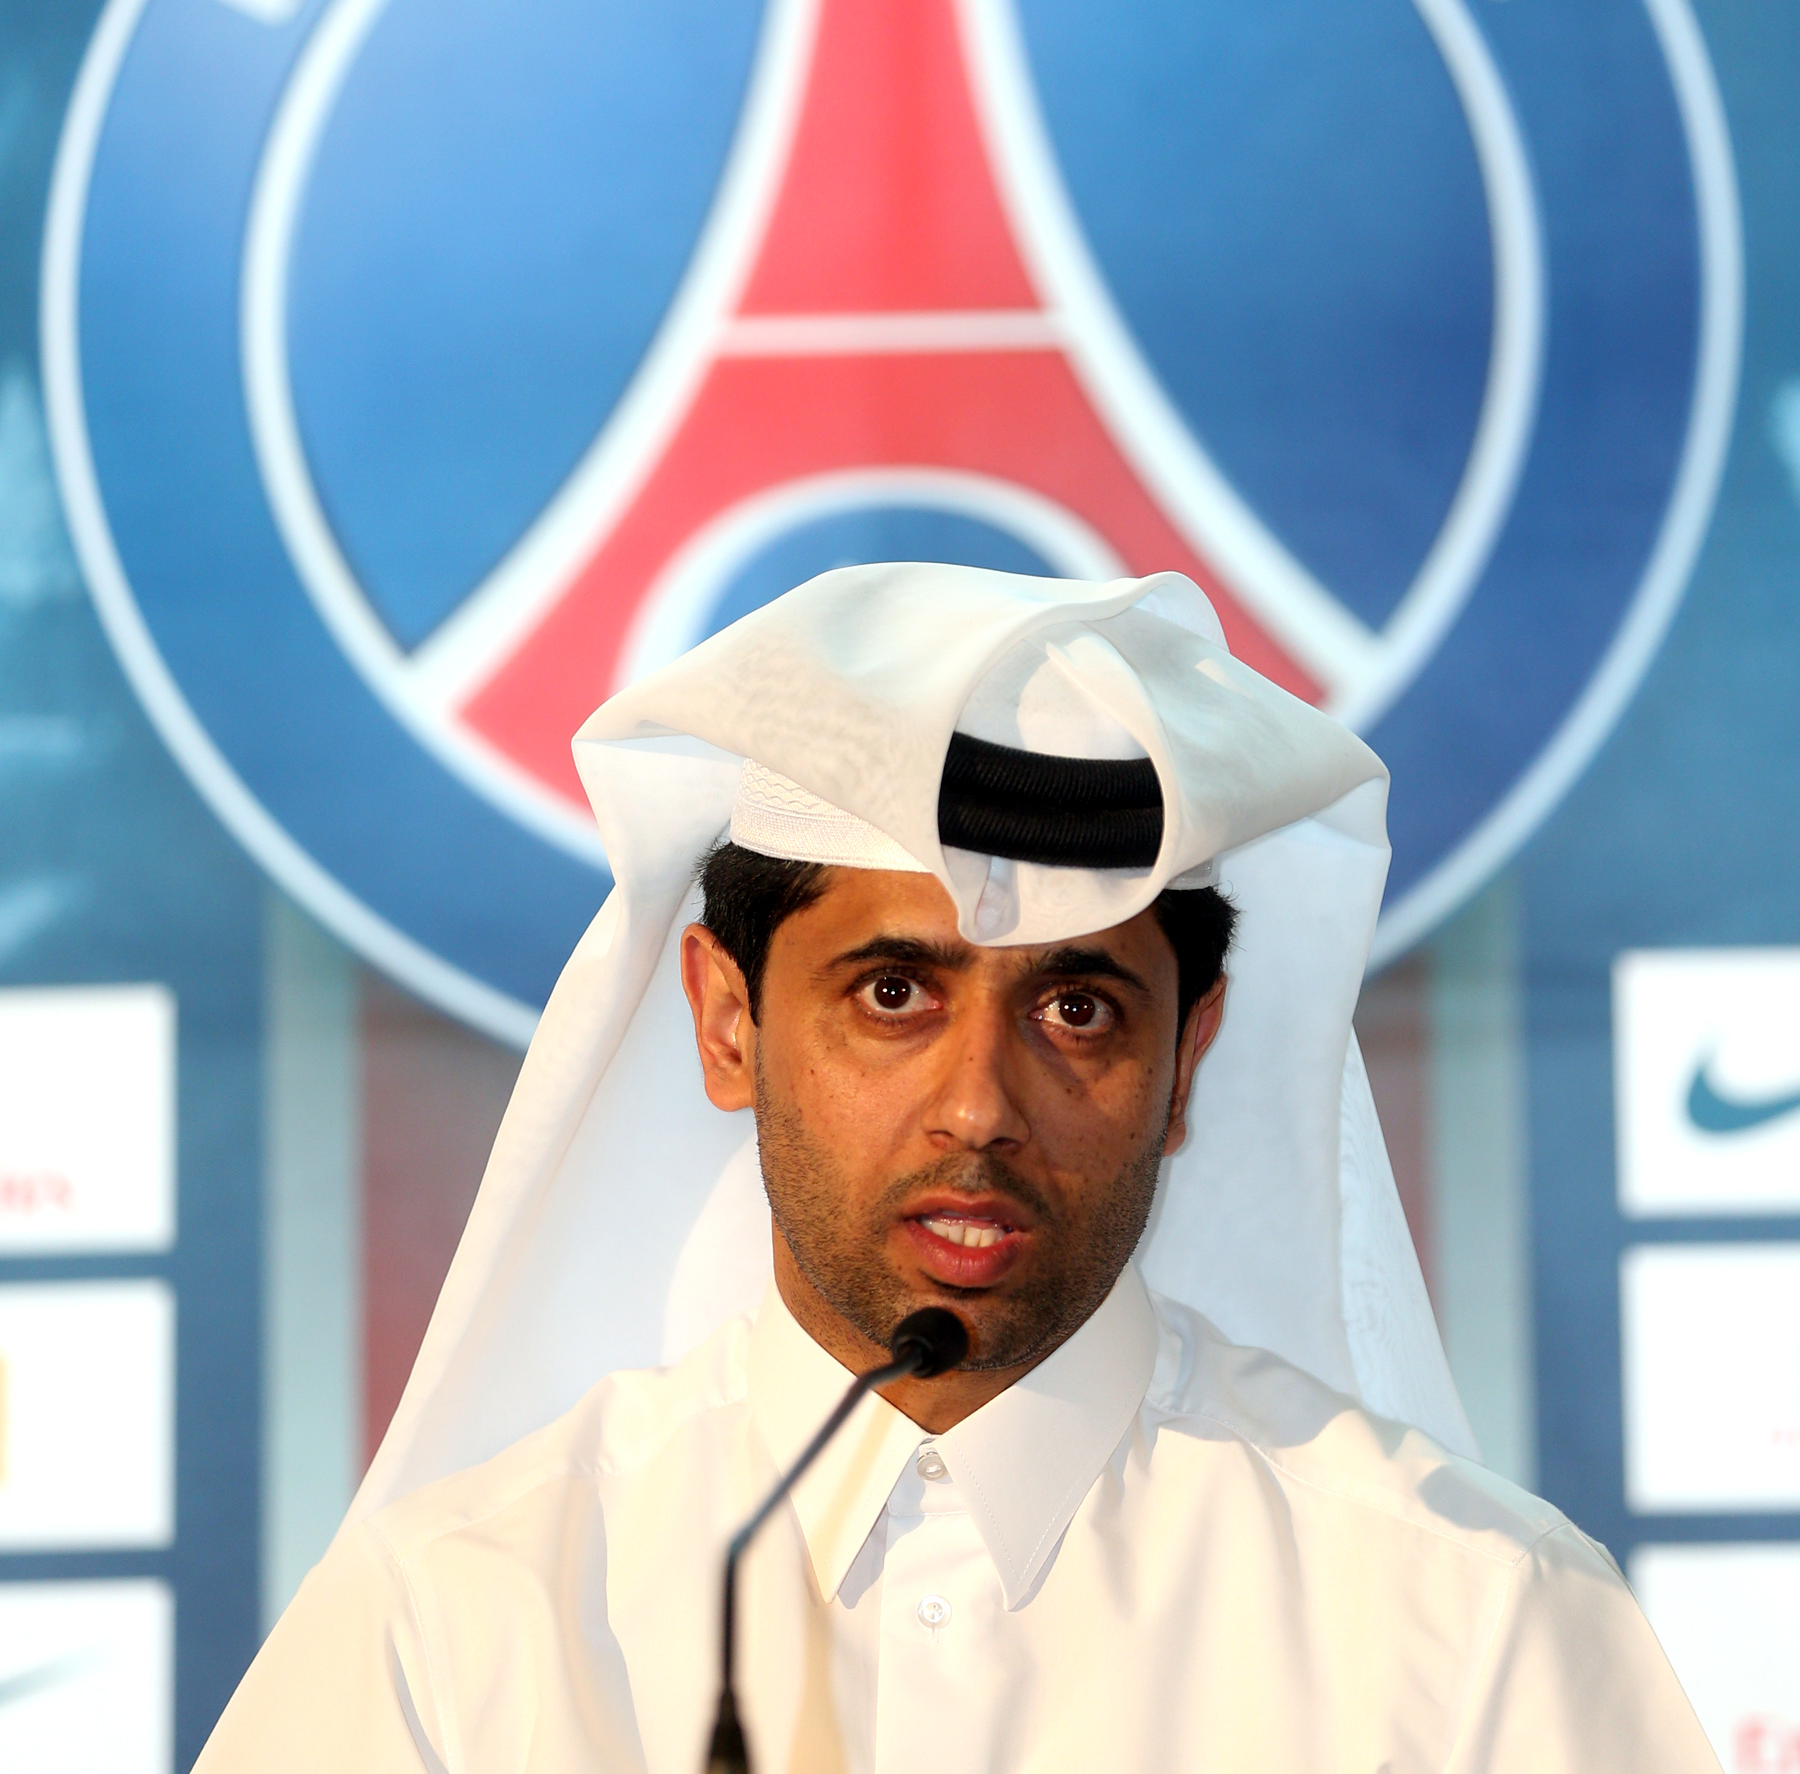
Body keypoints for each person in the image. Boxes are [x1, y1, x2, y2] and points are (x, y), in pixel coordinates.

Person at [197, 566, 1718, 1773]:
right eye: (893, 993)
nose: (979, 1106)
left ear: (1187, 1060)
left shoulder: (1469, 1626)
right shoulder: (457, 1627)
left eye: (1078, 1009)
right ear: (727, 1021)